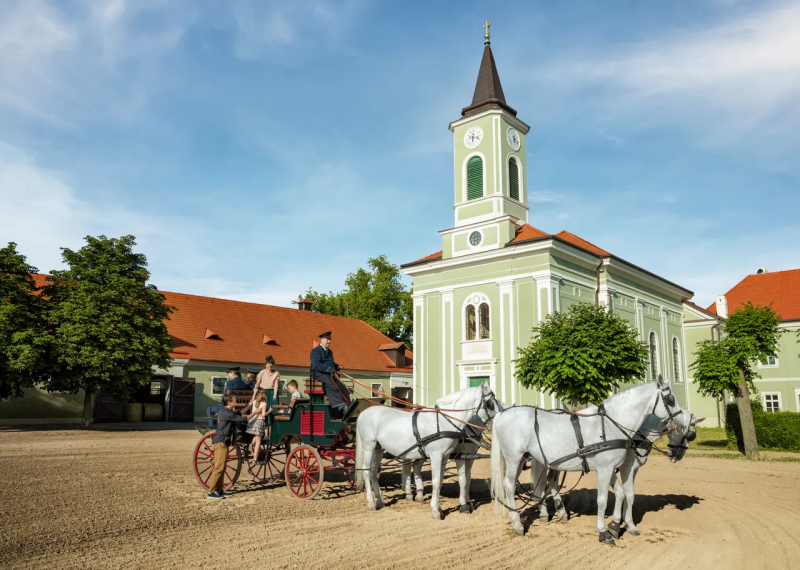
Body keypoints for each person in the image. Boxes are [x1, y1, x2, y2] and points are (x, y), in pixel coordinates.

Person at [206, 394, 250, 499]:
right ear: (229, 402)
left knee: (222, 467)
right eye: (234, 401)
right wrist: (256, 413)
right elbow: (242, 418)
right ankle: (211, 492)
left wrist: (250, 405)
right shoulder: (226, 413)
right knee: (218, 468)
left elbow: (240, 412)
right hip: (220, 442)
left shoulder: (228, 411)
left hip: (224, 442)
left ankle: (219, 490)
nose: (236, 402)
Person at [310, 331, 351, 418]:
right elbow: (316, 365)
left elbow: (331, 363)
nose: (329, 341)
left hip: (329, 374)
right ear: (321, 340)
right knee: (332, 385)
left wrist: (337, 367)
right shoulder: (315, 351)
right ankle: (340, 406)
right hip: (318, 373)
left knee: (342, 386)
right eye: (327, 340)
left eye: (329, 340)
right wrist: (328, 369)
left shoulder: (330, 352)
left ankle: (348, 405)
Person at [246, 391, 272, 463]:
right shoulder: (264, 403)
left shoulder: (254, 402)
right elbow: (263, 415)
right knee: (258, 442)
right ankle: (254, 459)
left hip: (252, 421)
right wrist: (269, 411)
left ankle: (251, 445)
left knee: (256, 436)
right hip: (259, 422)